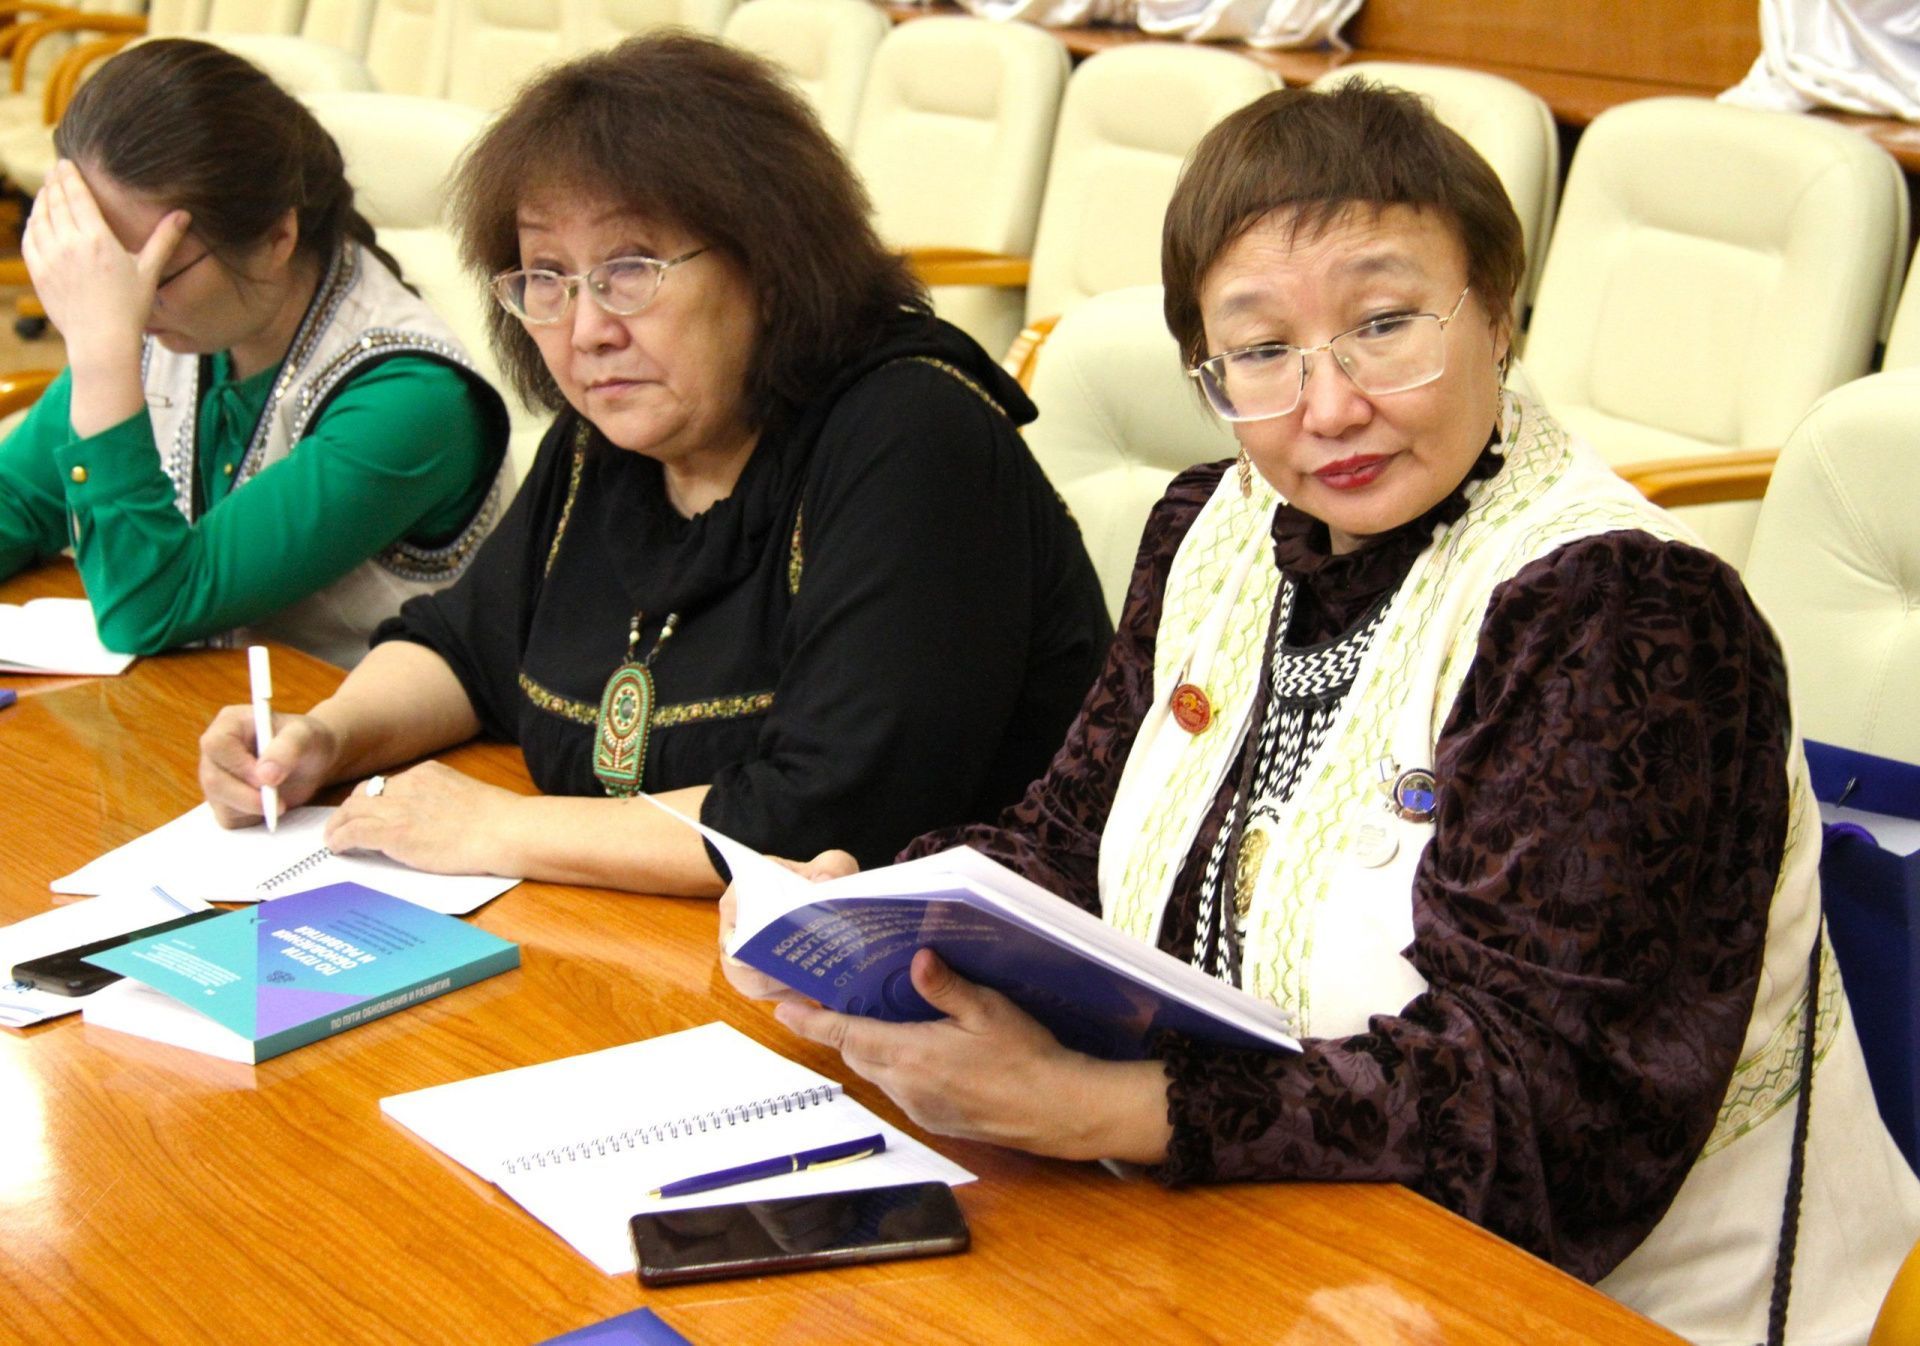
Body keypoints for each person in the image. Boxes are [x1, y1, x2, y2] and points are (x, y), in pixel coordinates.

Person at [727, 83, 1920, 1343]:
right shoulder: (1214, 522)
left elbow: (1540, 1106)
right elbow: (1072, 837)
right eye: (1261, 352)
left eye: (1385, 325)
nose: (1330, 406)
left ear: (1499, 314)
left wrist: (1097, 1107)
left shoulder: (1624, 609)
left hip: (1582, 1298)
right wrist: (883, 919)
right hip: (1240, 1237)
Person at [195, 35, 1110, 897]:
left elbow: (827, 817)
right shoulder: (613, 438)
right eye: (546, 277)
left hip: (929, 977)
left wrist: (499, 828)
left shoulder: (915, 434)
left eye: (629, 269)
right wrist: (324, 739)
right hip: (639, 945)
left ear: (770, 261)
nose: (587, 328)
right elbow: (469, 650)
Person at [0, 40, 509, 667]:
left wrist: (102, 355)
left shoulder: (413, 402)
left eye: (155, 273)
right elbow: (16, 500)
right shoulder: (179, 323)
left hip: (340, 720)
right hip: (202, 705)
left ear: (276, 238)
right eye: (101, 267)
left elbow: (149, 607)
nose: (121, 301)